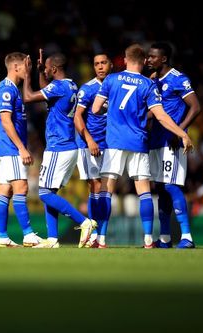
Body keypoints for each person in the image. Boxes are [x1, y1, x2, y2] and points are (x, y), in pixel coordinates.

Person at [91, 44, 193, 248]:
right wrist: (182, 133)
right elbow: (161, 116)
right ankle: (148, 240)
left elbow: (94, 109)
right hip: (138, 142)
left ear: (125, 60)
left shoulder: (111, 79)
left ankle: (101, 239)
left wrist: (110, 107)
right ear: (143, 61)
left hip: (115, 143)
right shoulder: (148, 84)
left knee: (106, 190)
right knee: (144, 192)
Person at [22, 50, 97, 249]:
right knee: (50, 191)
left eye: (46, 68)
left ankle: (84, 222)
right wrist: (40, 72)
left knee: (44, 194)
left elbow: (28, 97)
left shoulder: (58, 87)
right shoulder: (71, 85)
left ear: (54, 69)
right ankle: (53, 239)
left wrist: (28, 74)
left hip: (59, 145)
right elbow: (48, 92)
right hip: (67, 145)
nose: (44, 70)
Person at [146, 42, 202, 249]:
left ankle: (186, 236)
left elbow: (196, 107)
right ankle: (165, 238)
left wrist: (179, 131)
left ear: (163, 59)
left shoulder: (178, 79)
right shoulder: (153, 80)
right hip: (156, 142)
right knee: (160, 188)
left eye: (152, 57)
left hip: (172, 142)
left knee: (171, 185)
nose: (148, 60)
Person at [0, 52, 42, 247]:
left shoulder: (10, 88)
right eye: (25, 66)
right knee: (21, 188)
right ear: (15, 68)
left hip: (3, 148)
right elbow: (5, 121)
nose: (27, 69)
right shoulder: (6, 89)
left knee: (6, 190)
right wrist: (22, 148)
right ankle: (28, 235)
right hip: (10, 147)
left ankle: (3, 237)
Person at [73, 53, 113, 248]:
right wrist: (89, 140)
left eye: (103, 63)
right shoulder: (88, 89)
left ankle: (102, 238)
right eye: (96, 63)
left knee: (107, 189)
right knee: (95, 186)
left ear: (111, 65)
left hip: (111, 144)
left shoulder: (116, 86)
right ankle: (94, 235)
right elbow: (77, 117)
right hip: (90, 144)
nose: (100, 66)